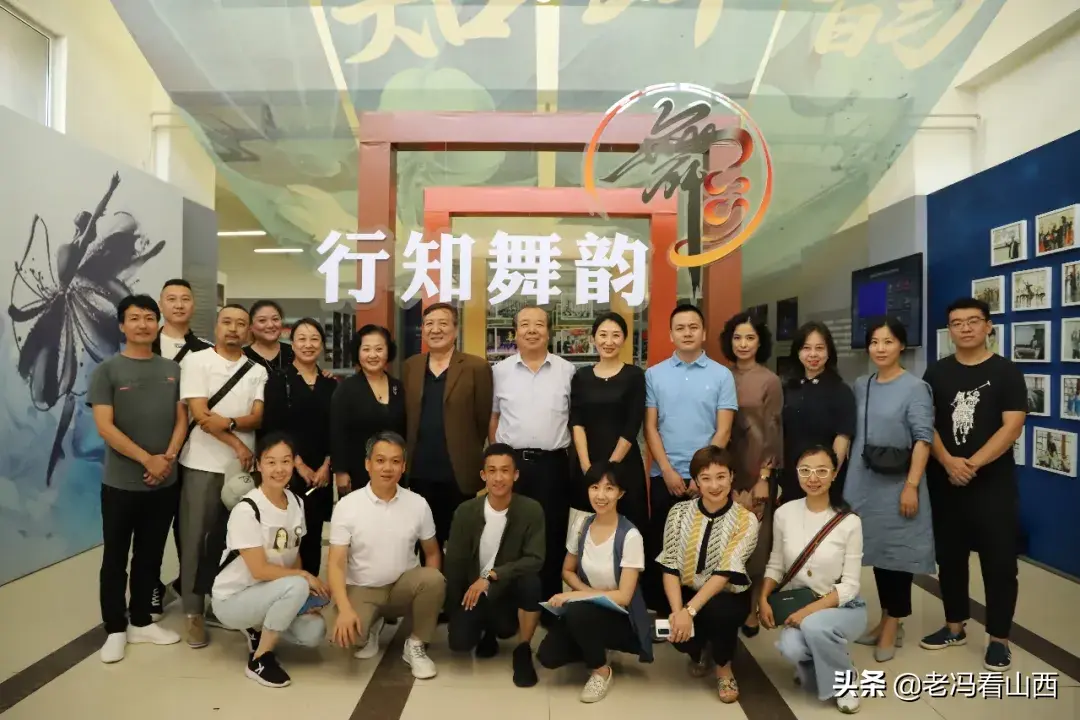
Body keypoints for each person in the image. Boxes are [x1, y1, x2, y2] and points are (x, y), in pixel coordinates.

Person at [921, 298, 1026, 671]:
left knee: (1000, 564)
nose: (965, 328)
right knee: (950, 559)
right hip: (945, 481)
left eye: (973, 321)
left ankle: (999, 639)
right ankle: (954, 626)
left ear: (988, 326)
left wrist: (971, 464)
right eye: (956, 323)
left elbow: (1012, 426)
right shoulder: (936, 373)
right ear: (949, 330)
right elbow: (926, 422)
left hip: (993, 486)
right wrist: (949, 462)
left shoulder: (1006, 372)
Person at [89, 294, 187, 663]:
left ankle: (142, 621)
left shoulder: (173, 370)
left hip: (164, 482)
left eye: (149, 317)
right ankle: (115, 627)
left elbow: (182, 420)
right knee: (115, 557)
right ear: (122, 325)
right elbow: (105, 427)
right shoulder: (108, 371)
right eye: (134, 318)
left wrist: (167, 459)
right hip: (121, 484)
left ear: (157, 324)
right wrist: (148, 459)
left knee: (151, 555)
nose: (142, 324)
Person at [178, 304, 269, 648]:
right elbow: (201, 415)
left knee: (236, 541)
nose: (233, 328)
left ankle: (225, 603)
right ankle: (193, 613)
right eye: (227, 322)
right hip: (201, 464)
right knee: (195, 539)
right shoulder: (196, 361)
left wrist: (229, 423)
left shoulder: (256, 370)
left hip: (241, 472)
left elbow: (257, 417)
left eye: (240, 324)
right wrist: (237, 442)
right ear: (216, 326)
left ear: (249, 331)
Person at [844, 318, 935, 662]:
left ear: (901, 345)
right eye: (874, 342)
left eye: (888, 341)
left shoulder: (915, 388)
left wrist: (911, 485)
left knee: (898, 554)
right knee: (877, 552)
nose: (880, 349)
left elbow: (923, 440)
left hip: (899, 484)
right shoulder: (861, 384)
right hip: (865, 482)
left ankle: (893, 621)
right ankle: (886, 619)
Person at [210, 433, 330, 688]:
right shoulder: (248, 509)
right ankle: (260, 659)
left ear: (293, 463)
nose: (279, 469)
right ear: (258, 465)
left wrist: (304, 595)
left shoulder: (297, 502)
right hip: (232, 599)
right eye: (271, 462)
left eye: (285, 461)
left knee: (314, 631)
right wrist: (303, 579)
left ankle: (258, 628)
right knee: (298, 584)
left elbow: (293, 555)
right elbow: (259, 570)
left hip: (269, 592)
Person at [643, 304, 738, 612]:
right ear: (671, 334)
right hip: (666, 475)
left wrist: (702, 477)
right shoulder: (654, 375)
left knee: (703, 548)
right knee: (664, 546)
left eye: (693, 327)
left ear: (704, 333)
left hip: (709, 480)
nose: (687, 333)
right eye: (680, 328)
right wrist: (667, 470)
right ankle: (666, 612)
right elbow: (650, 428)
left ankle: (698, 611)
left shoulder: (722, 375)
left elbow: (723, 430)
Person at [327, 431, 445, 679]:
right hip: (362, 588)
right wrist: (345, 609)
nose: (387, 468)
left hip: (402, 586)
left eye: (395, 461)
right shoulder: (348, 506)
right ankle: (372, 625)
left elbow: (432, 552)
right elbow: (336, 563)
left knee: (434, 579)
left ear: (403, 466)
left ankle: (415, 644)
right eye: (380, 460)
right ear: (367, 464)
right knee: (346, 640)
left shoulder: (418, 504)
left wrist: (427, 601)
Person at [758, 445, 865, 715]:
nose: (813, 478)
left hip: (842, 607)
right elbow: (776, 564)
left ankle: (845, 682)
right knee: (791, 648)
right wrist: (763, 598)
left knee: (815, 626)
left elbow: (851, 585)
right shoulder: (784, 513)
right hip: (800, 604)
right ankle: (825, 659)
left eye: (821, 471)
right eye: (805, 471)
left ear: (834, 474)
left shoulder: (849, 522)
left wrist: (807, 612)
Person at [536, 466, 653, 704]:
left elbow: (624, 596)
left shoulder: (630, 536)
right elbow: (567, 571)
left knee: (578, 612)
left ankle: (601, 671)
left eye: (609, 488)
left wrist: (577, 596)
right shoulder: (581, 525)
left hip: (622, 618)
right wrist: (587, 593)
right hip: (589, 609)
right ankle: (594, 644)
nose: (601, 495)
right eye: (594, 487)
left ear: (620, 493)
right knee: (548, 656)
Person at [656, 446, 759, 704]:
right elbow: (669, 565)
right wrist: (678, 612)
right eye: (706, 478)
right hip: (687, 590)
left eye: (721, 476)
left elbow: (725, 571)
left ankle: (724, 667)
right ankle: (699, 650)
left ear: (731, 477)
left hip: (726, 594)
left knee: (720, 612)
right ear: (696, 482)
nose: (714, 485)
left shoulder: (746, 520)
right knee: (678, 634)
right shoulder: (679, 513)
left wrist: (688, 612)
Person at [490, 306, 576, 601]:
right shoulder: (499, 372)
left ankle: (549, 602)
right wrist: (497, 461)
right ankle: (510, 603)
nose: (531, 330)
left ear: (548, 332)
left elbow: (574, 420)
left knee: (552, 533)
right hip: (512, 466)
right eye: (524, 324)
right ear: (515, 333)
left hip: (553, 465)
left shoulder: (567, 371)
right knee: (509, 532)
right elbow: (494, 417)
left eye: (539, 324)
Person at [444, 444, 544, 687]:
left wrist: (492, 575)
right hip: (474, 593)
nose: (498, 478)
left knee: (531, 582)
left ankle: (523, 650)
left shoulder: (531, 510)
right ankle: (486, 632)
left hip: (508, 590)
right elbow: (454, 565)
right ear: (483, 475)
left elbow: (535, 559)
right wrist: (453, 611)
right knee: (459, 642)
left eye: (505, 471)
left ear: (515, 475)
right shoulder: (465, 512)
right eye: (492, 471)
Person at [404, 303, 494, 548]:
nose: (435, 329)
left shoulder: (476, 367)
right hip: (419, 469)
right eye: (429, 324)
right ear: (422, 329)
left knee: (460, 541)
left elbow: (483, 418)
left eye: (443, 323)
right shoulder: (411, 366)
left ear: (455, 329)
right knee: (424, 540)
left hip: (458, 471)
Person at [719, 310, 783, 638]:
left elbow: (773, 430)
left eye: (750, 337)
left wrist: (764, 477)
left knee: (758, 543)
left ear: (760, 342)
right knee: (726, 541)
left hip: (757, 469)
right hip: (724, 470)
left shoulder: (769, 380)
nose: (743, 344)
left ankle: (754, 609)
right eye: (737, 338)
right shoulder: (720, 376)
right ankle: (726, 604)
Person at [150, 278, 212, 618]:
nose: (178, 304)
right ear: (161, 304)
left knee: (190, 529)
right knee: (152, 527)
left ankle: (190, 589)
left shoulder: (205, 351)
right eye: (171, 299)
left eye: (185, 298)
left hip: (192, 452)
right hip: (149, 449)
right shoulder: (144, 345)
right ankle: (151, 587)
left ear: (193, 305)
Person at [261, 318, 337, 575]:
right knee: (286, 534)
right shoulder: (278, 380)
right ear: (292, 344)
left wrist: (326, 465)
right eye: (302, 339)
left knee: (314, 532)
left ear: (322, 345)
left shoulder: (330, 384)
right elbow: (273, 428)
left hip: (322, 473)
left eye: (314, 339)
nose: (308, 344)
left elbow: (335, 428)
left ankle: (310, 586)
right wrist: (299, 465)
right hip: (287, 470)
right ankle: (286, 585)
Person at [569, 312, 648, 533]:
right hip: (587, 464)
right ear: (593, 338)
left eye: (616, 335)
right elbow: (577, 422)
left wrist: (610, 470)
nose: (609, 341)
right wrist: (587, 467)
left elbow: (632, 424)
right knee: (583, 529)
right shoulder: (581, 376)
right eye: (603, 335)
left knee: (628, 528)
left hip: (624, 464)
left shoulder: (634, 376)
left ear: (624, 339)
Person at [779, 322, 856, 505]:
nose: (813, 354)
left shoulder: (841, 390)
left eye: (819, 348)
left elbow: (842, 437)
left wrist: (830, 474)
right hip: (792, 476)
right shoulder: (787, 388)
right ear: (797, 352)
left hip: (825, 479)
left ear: (829, 352)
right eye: (806, 348)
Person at [331, 325, 406, 495]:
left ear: (388, 351)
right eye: (366, 349)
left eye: (379, 349)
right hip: (358, 472)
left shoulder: (398, 387)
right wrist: (340, 472)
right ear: (357, 353)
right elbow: (337, 433)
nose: (373, 355)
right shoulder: (346, 389)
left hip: (393, 471)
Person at [244, 300, 295, 375]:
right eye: (262, 320)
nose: (270, 325)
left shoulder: (294, 352)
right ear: (251, 326)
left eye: (275, 319)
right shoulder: (242, 356)